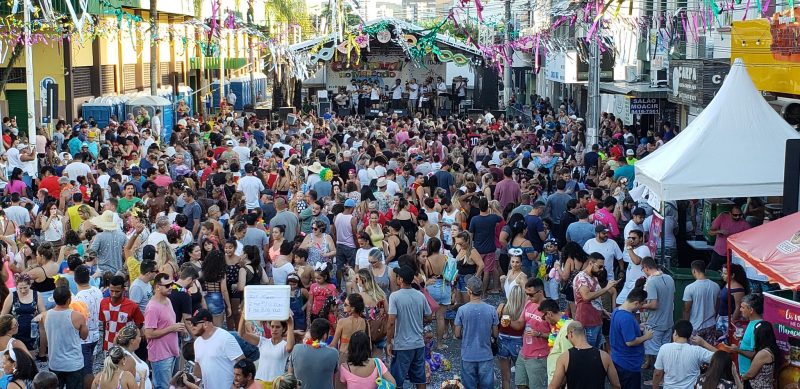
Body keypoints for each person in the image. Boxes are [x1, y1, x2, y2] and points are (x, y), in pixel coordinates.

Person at [386, 265, 431, 389]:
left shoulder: (394, 296)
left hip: (402, 345)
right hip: (418, 343)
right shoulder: (420, 295)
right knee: (420, 378)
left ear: (400, 279)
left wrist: (389, 342)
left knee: (396, 380)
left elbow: (391, 322)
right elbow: (428, 316)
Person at [548, 321, 621, 389]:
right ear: (585, 333)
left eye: (567, 337)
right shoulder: (604, 356)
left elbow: (553, 387)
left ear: (570, 334)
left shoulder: (564, 358)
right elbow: (616, 385)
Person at [454, 276, 499, 389]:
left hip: (468, 355)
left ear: (469, 291)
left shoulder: (462, 310)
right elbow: (495, 334)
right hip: (486, 354)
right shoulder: (491, 309)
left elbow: (457, 334)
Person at [42, 285, 88, 389]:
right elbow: (84, 336)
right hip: (74, 364)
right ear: (69, 300)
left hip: (55, 363)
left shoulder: (46, 315)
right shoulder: (78, 316)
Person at [144, 273, 184, 389]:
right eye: (167, 286)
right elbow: (148, 333)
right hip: (160, 355)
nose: (171, 287)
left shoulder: (168, 300)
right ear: (157, 287)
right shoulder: (152, 308)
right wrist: (172, 328)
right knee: (162, 386)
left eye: (171, 284)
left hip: (172, 351)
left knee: (173, 385)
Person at [509, 278, 550, 389]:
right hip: (524, 353)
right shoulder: (528, 304)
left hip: (538, 357)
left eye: (531, 294)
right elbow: (520, 324)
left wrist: (539, 334)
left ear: (540, 292)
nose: (528, 297)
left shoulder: (550, 308)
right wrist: (508, 322)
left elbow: (557, 335)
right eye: (526, 294)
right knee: (521, 384)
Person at [652, 320, 716, 389]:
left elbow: (657, 373)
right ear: (689, 335)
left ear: (675, 333)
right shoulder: (697, 350)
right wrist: (703, 343)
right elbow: (722, 356)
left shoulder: (664, 348)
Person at [190, 309, 244, 389]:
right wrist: (193, 385)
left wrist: (235, 385)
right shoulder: (197, 342)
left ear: (206, 323)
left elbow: (242, 362)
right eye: (191, 323)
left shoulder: (225, 338)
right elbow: (198, 366)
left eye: (194, 324)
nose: (191, 326)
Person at [610, 288, 652, 389]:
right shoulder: (627, 318)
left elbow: (621, 330)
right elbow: (630, 342)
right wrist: (646, 336)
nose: (642, 307)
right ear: (636, 303)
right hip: (628, 364)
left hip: (618, 359)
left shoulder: (617, 311)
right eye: (642, 304)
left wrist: (638, 326)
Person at [573, 252, 617, 349]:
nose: (601, 270)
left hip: (597, 320)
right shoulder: (582, 278)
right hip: (586, 322)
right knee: (588, 352)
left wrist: (603, 311)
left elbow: (596, 300)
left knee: (595, 351)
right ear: (591, 263)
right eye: (600, 266)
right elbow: (586, 297)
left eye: (603, 267)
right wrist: (606, 288)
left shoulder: (594, 277)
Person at [641, 257, 675, 369]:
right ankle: (663, 376)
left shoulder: (651, 281)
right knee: (665, 352)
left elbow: (654, 305)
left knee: (656, 354)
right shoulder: (669, 278)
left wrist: (640, 305)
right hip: (668, 321)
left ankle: (657, 378)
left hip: (655, 323)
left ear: (646, 267)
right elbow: (672, 297)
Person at [288, 318, 339, 389]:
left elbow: (290, 375)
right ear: (325, 335)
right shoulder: (334, 353)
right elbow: (334, 374)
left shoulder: (296, 348)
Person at [100, 275, 145, 351]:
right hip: (108, 346)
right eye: (111, 291)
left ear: (123, 289)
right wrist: (103, 343)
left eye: (117, 291)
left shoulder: (132, 306)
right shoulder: (103, 303)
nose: (114, 294)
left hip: (126, 347)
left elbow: (139, 324)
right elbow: (104, 324)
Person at [683, 260, 720, 345]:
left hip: (695, 327)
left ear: (694, 271)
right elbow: (717, 306)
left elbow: (686, 309)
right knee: (708, 352)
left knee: (694, 353)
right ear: (705, 270)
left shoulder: (690, 288)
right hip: (711, 325)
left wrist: (686, 325)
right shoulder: (716, 286)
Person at [538, 298, 574, 384]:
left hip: (560, 382)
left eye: (544, 317)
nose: (545, 320)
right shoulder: (557, 327)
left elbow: (568, 360)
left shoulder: (567, 329)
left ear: (549, 314)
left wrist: (559, 385)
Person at [730, 293, 763, 378]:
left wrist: (737, 350)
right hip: (744, 371)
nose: (740, 310)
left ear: (751, 310)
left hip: (749, 373)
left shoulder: (757, 327)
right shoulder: (752, 322)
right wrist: (742, 338)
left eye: (743, 307)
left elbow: (753, 354)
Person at [617, 229, 649, 304]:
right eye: (629, 238)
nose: (631, 240)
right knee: (619, 302)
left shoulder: (644, 248)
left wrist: (628, 247)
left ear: (640, 239)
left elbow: (637, 261)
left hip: (637, 284)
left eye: (634, 238)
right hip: (628, 284)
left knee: (634, 307)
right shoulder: (633, 249)